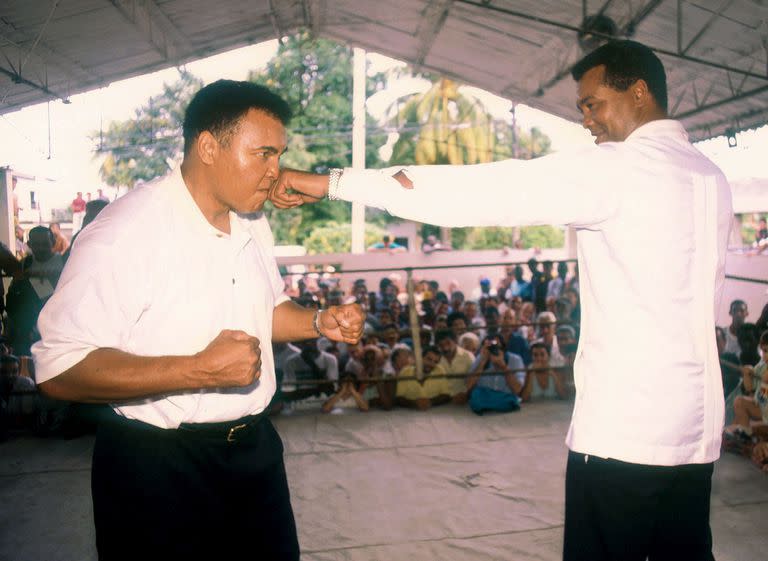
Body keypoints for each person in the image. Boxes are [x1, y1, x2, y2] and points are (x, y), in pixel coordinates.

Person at [272, 40, 732, 561]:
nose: (586, 120)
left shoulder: (619, 170)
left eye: (593, 103)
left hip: (625, 433)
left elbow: (483, 190)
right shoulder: (710, 177)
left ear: (640, 93)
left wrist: (333, 183)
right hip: (696, 430)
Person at [32, 80, 364, 561]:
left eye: (279, 155)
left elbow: (267, 310)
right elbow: (57, 370)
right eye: (264, 154)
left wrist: (318, 322)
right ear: (208, 146)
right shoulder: (125, 232)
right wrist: (197, 370)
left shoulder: (250, 219)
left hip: (254, 451)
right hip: (157, 465)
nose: (276, 172)